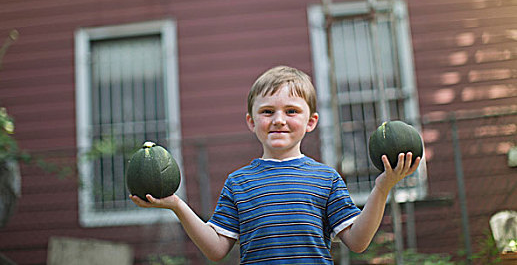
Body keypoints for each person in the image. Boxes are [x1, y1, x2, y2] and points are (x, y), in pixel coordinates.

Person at [130, 65, 421, 264]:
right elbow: (216, 249)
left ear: (311, 122)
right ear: (251, 121)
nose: (279, 119)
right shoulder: (238, 183)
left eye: (291, 111)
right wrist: (176, 205)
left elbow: (357, 241)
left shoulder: (326, 179)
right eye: (267, 111)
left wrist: (383, 187)